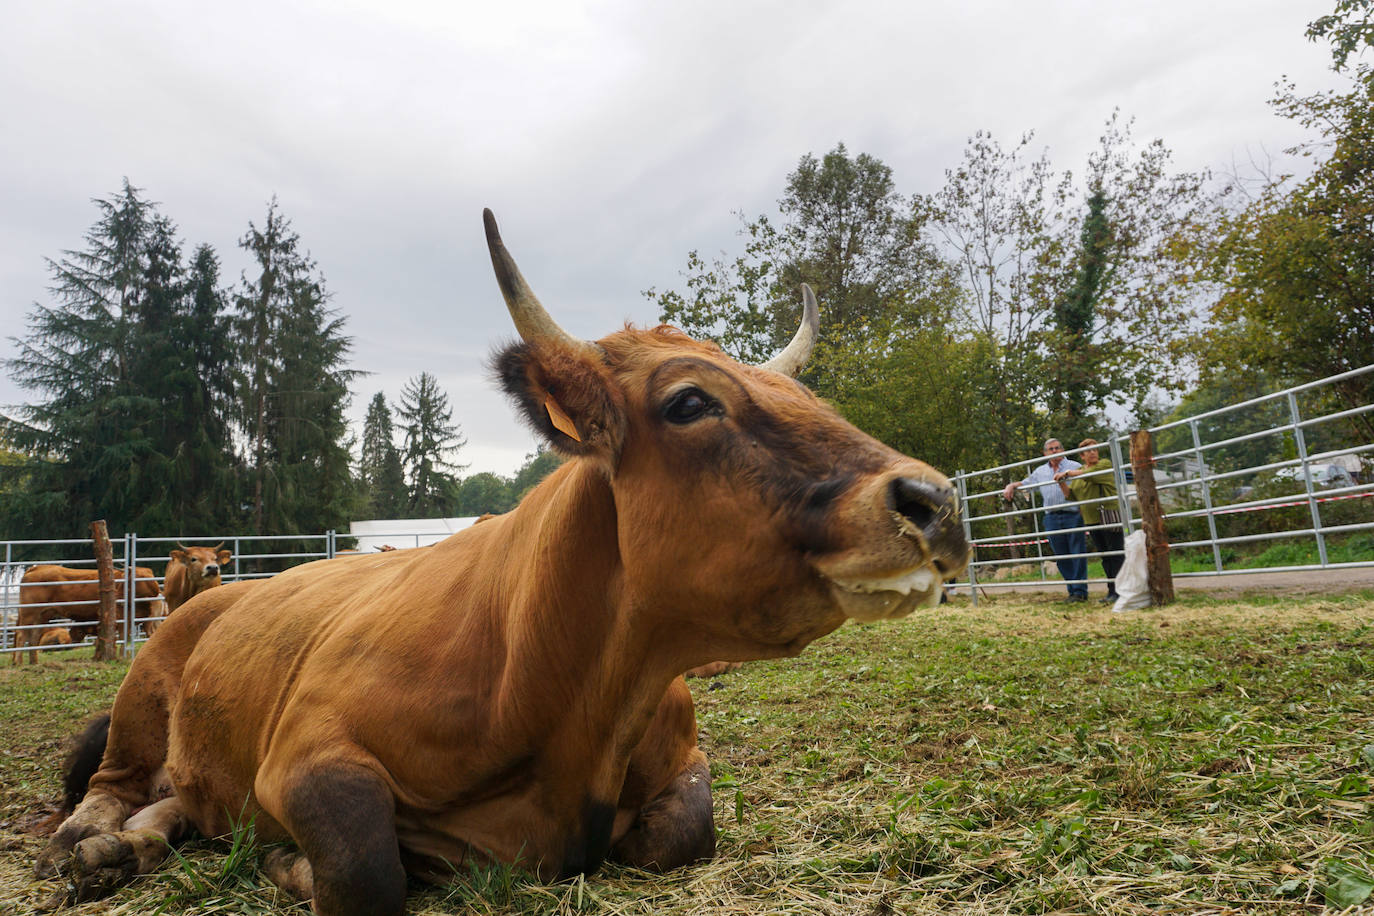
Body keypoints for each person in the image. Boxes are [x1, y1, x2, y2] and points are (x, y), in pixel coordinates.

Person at [1002, 438, 1088, 602]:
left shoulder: (1074, 466)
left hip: (1073, 514)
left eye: (1057, 448)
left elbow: (1087, 479)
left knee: (1077, 553)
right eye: (1051, 449)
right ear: (1045, 453)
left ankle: (1080, 591)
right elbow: (1027, 483)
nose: (1054, 451)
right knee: (1061, 556)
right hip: (1051, 517)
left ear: (1062, 450)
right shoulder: (1040, 471)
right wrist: (1011, 485)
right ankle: (1072, 590)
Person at [1055, 438, 1125, 604]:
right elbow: (1071, 495)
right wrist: (1061, 483)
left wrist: (1068, 474)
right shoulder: (1080, 471)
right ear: (1082, 455)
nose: (1093, 452)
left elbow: (1091, 475)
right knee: (1106, 556)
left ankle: (1121, 590)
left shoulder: (1105, 465)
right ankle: (1112, 591)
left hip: (1108, 515)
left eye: (1095, 449)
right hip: (1091, 520)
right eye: (1089, 451)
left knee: (1116, 554)